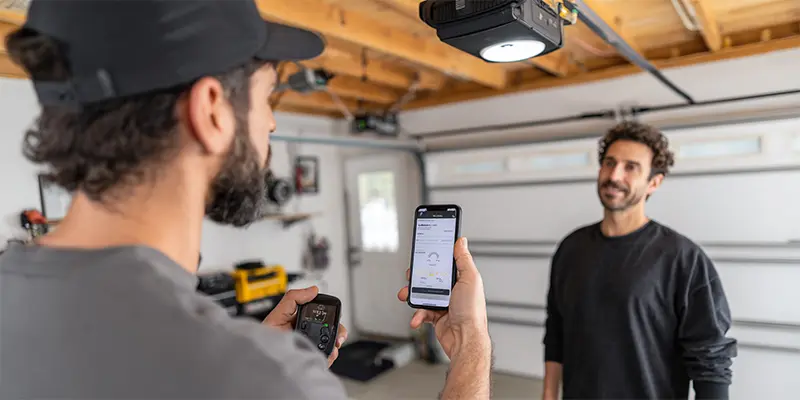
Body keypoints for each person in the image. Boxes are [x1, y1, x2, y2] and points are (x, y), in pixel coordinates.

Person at [0, 1, 492, 398]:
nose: (272, 124)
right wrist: (473, 348)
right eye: (268, 98)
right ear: (211, 111)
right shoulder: (265, 377)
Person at [542, 121, 738, 400]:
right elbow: (556, 331)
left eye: (630, 167)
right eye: (609, 163)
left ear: (654, 182)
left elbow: (711, 359)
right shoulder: (571, 248)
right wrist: (548, 395)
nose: (614, 175)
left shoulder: (682, 258)